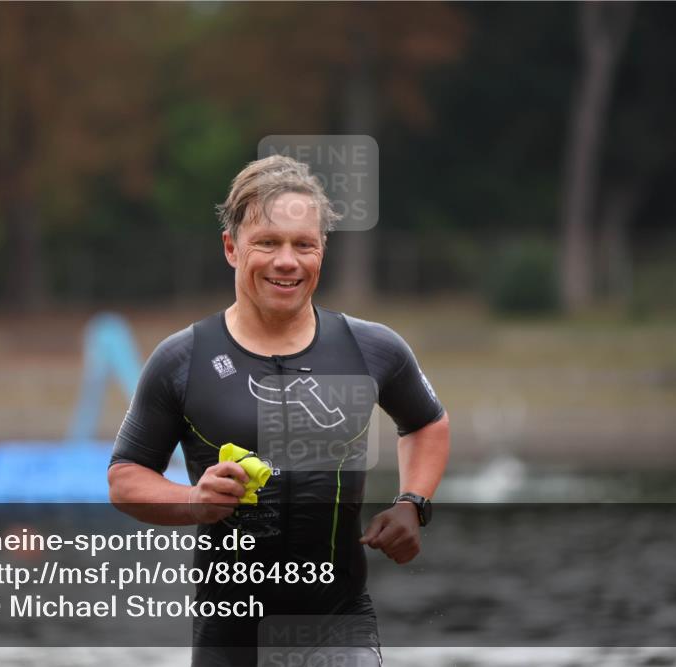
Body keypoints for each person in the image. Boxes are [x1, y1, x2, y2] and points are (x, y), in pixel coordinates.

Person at [108, 155, 449, 666]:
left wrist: (412, 502)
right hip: (230, 639)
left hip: (339, 626)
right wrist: (192, 501)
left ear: (322, 251)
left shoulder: (372, 349)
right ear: (231, 248)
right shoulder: (183, 359)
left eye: (303, 244)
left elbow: (426, 423)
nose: (287, 261)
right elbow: (125, 478)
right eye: (267, 242)